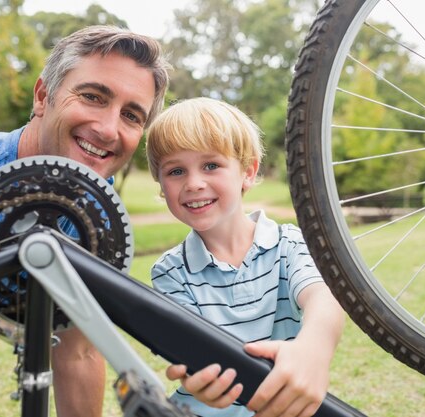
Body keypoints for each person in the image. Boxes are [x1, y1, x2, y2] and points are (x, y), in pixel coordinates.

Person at [0, 25, 170, 417]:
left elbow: (77, 351)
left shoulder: (88, 205)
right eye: (93, 96)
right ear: (43, 95)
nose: (108, 129)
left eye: (131, 115)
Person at [145, 97, 345, 417]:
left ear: (248, 172)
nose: (194, 183)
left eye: (211, 165)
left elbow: (323, 296)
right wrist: (197, 376)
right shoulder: (169, 272)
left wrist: (314, 349)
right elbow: (191, 353)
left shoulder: (289, 244)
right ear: (161, 186)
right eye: (176, 171)